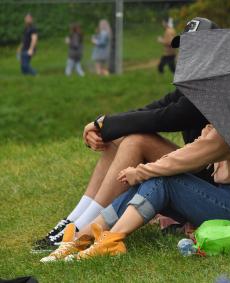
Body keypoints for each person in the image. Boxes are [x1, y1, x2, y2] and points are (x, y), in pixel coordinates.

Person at [32, 17, 220, 253]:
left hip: (213, 186)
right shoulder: (194, 85)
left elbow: (165, 117)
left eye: (198, 47)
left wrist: (105, 124)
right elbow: (152, 109)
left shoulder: (214, 89)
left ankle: (81, 229)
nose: (189, 54)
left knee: (137, 139)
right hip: (197, 170)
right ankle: (73, 221)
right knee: (121, 137)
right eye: (187, 46)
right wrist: (104, 126)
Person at [40, 124, 230, 262]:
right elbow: (198, 151)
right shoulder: (229, 122)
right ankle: (85, 236)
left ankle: (110, 241)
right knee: (156, 182)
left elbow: (190, 158)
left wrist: (142, 171)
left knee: (163, 181)